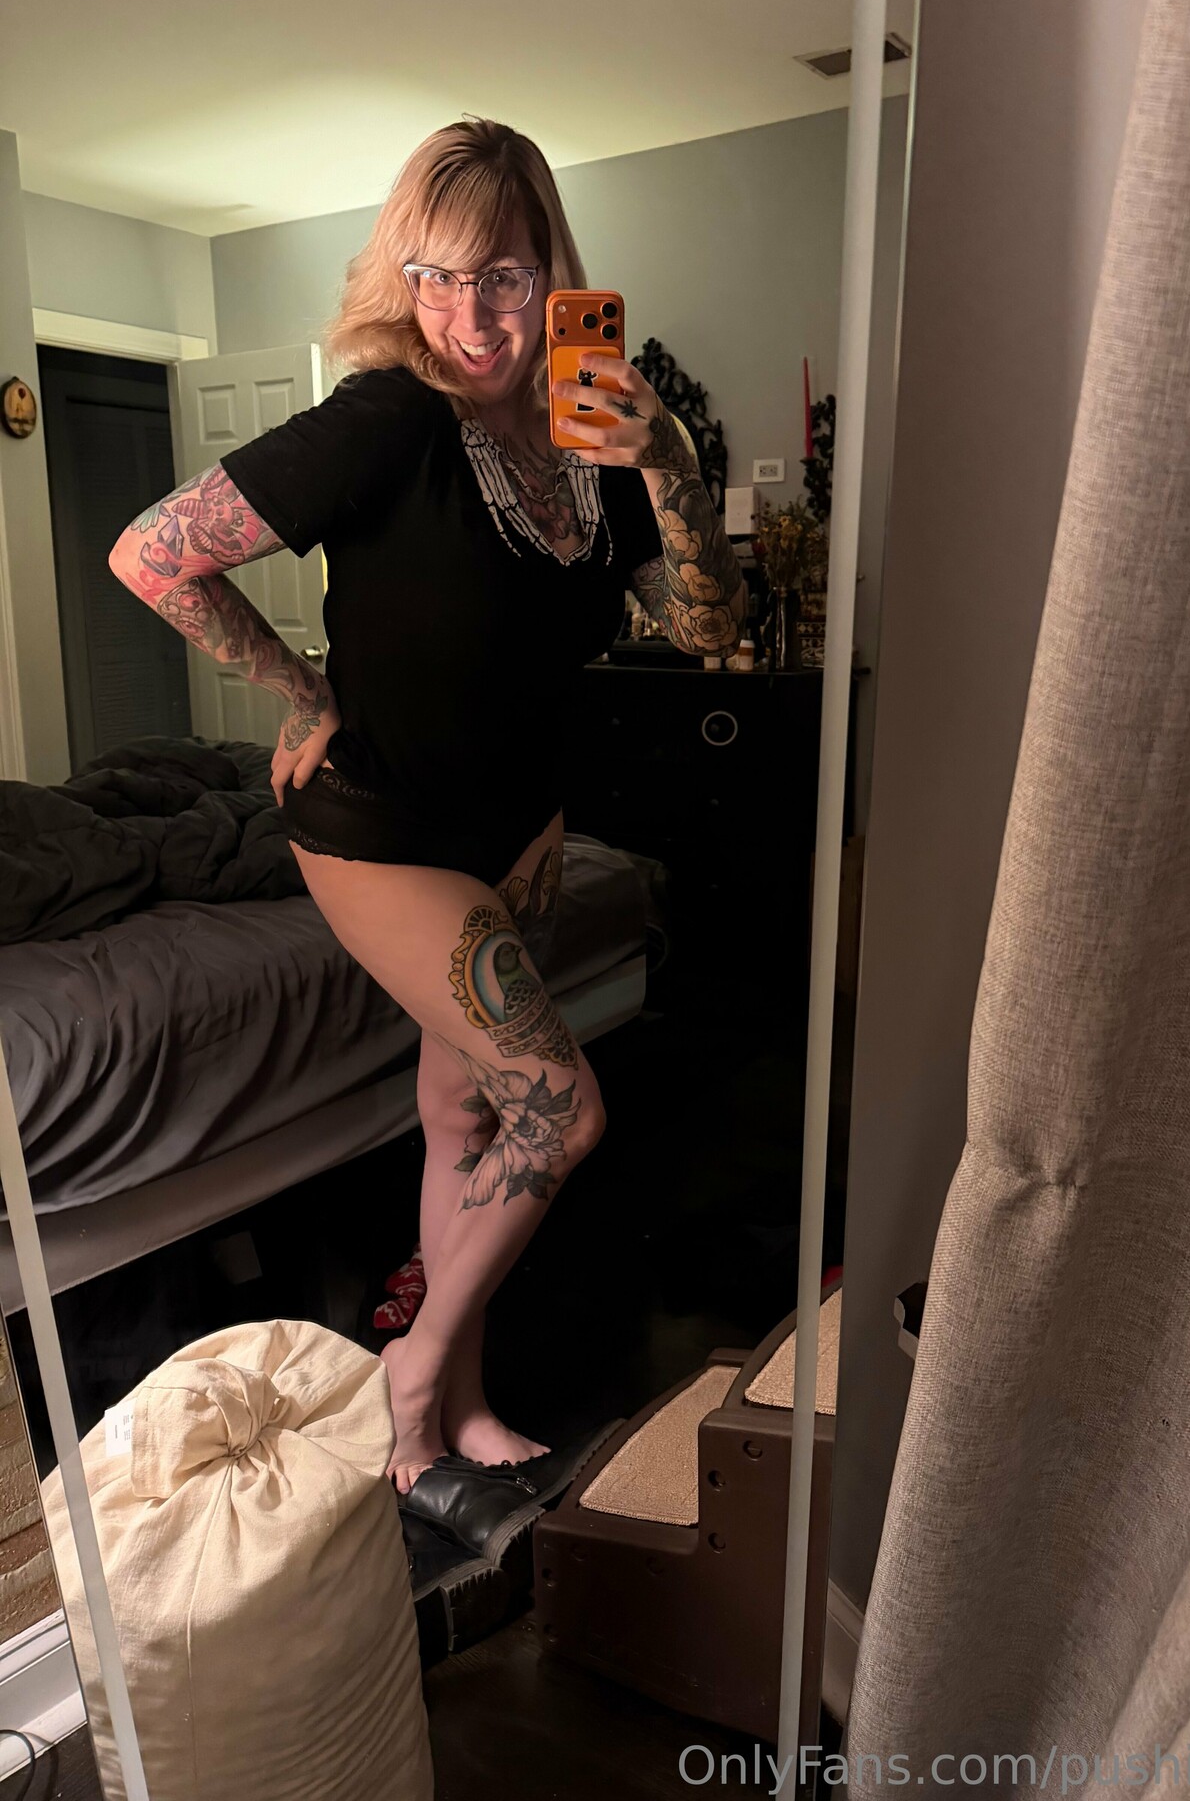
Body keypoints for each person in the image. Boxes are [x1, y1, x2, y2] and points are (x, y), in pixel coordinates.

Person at [109, 117, 747, 1490]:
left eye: (503, 276)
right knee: (557, 1108)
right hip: (380, 829)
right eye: (436, 276)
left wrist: (672, 461)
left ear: (552, 274)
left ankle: (451, 1407)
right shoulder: (387, 420)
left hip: (517, 832)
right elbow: (152, 553)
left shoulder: (596, 440)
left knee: (465, 1115)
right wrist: (297, 685)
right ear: (404, 281)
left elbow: (708, 628)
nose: (470, 315)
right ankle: (411, 1374)